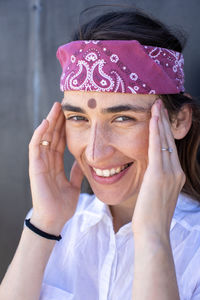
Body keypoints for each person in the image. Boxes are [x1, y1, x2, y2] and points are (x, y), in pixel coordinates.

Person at [0, 7, 200, 300]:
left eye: (122, 118)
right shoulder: (55, 223)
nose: (95, 152)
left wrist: (153, 236)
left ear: (178, 121)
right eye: (78, 118)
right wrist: (44, 223)